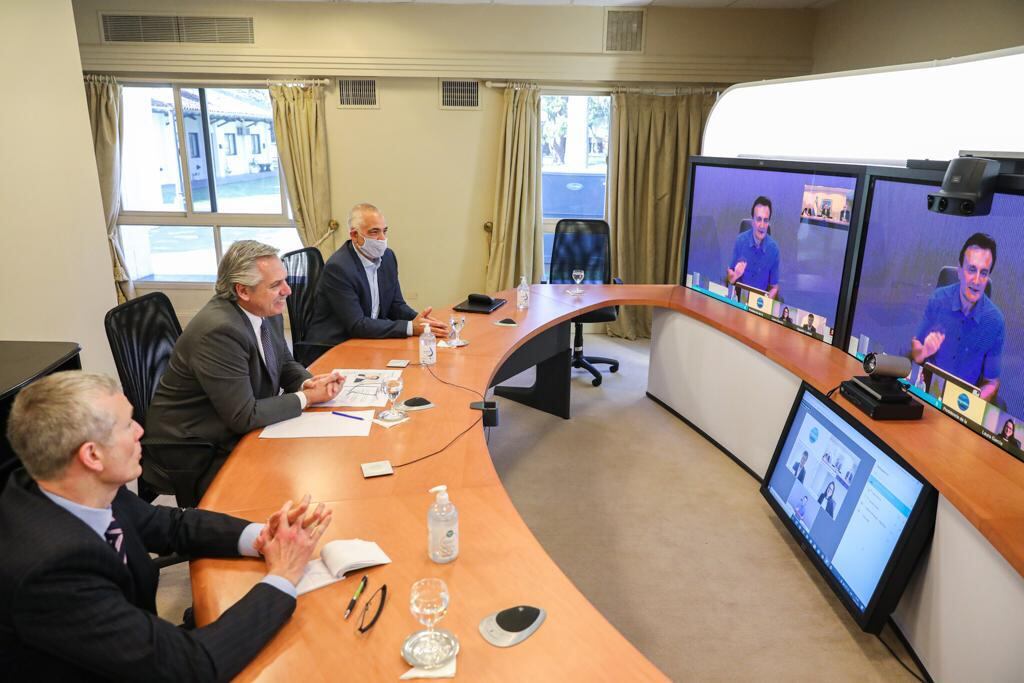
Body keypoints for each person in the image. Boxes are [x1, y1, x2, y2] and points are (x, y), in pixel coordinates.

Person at [0, 372, 333, 680]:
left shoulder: (64, 480)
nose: (141, 431)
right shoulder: (51, 573)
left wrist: (261, 537)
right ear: (92, 456)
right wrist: (283, 576)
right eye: (128, 424)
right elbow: (192, 667)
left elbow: (170, 523)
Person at [147, 241, 342, 487]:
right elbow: (244, 416)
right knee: (292, 479)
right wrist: (308, 398)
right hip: (196, 447)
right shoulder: (219, 331)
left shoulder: (265, 310)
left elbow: (284, 363)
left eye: (285, 280)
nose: (288, 291)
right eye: (275, 285)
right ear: (243, 291)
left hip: (232, 427)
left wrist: (308, 382)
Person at [306, 203, 449, 346]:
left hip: (367, 338)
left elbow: (396, 304)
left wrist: (421, 321)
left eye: (384, 231)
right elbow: (357, 325)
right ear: (355, 235)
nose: (382, 239)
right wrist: (411, 327)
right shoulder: (338, 268)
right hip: (334, 344)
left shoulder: (387, 257)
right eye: (374, 232)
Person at [911, 233, 1005, 402]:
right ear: (960, 271)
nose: (976, 280)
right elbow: (916, 350)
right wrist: (924, 351)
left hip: (962, 404)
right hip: (928, 395)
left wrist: (970, 405)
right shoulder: (938, 299)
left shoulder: (995, 321)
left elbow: (991, 383)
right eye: (971, 270)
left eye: (984, 273)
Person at [727, 196, 780, 300]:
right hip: (739, 300)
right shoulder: (740, 241)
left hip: (759, 303)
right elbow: (730, 277)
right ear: (752, 221)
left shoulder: (774, 250)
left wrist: (765, 304)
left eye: (766, 220)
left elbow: (774, 287)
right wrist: (735, 276)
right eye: (759, 219)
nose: (762, 225)